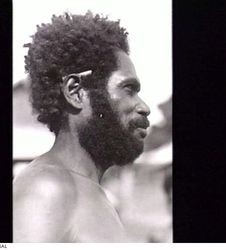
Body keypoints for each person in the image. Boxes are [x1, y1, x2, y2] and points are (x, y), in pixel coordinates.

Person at [13, 11, 150, 242]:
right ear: (76, 92)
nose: (144, 107)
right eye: (128, 88)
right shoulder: (47, 189)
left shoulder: (91, 192)